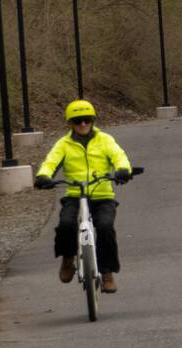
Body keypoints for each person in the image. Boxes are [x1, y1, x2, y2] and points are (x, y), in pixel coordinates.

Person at [34, 100, 132, 292]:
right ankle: (67, 259)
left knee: (105, 228)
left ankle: (107, 273)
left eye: (87, 120)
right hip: (75, 194)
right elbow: (51, 162)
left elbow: (119, 156)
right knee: (66, 225)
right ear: (70, 123)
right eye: (78, 121)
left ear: (93, 120)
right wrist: (43, 176)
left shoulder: (105, 140)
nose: (83, 124)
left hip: (102, 194)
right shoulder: (63, 144)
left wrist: (122, 170)